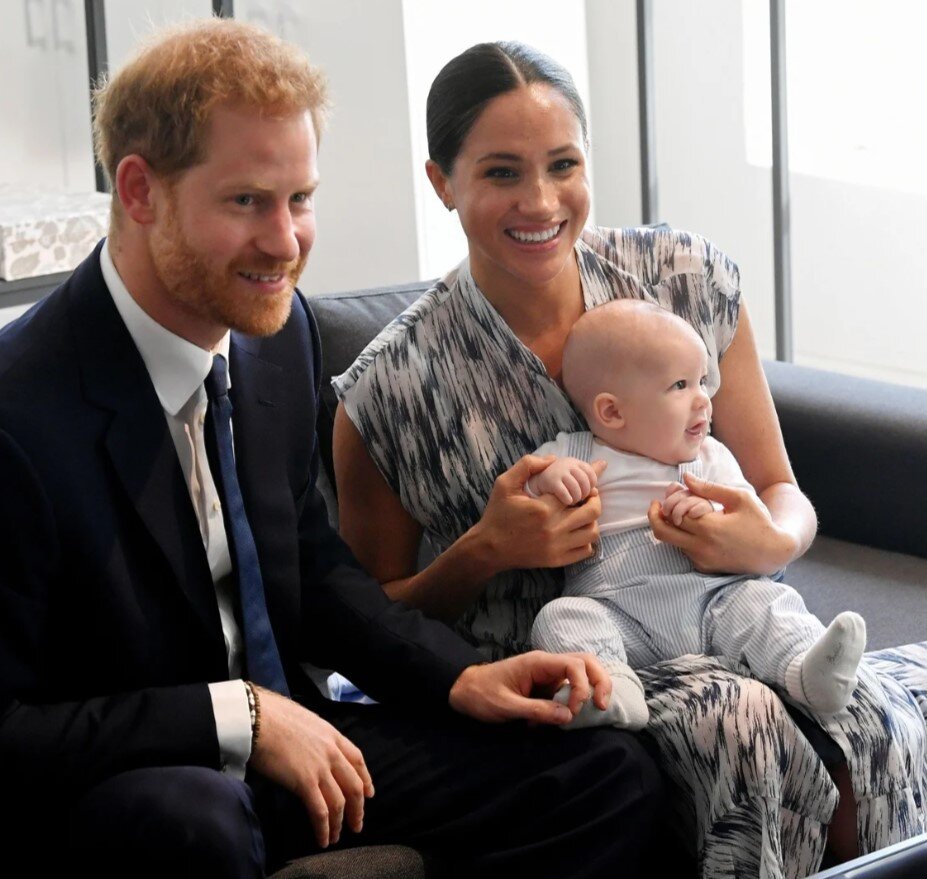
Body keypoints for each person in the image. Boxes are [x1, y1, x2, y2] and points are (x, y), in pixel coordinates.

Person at [0, 20, 668, 878]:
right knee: (191, 822)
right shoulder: (20, 417)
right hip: (132, 783)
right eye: (247, 202)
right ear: (139, 191)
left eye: (300, 199)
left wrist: (461, 678)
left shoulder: (275, 339)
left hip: (297, 732)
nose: (285, 243)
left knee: (600, 773)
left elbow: (310, 571)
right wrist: (236, 714)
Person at [332, 40, 927, 878]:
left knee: (866, 712)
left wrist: (770, 542)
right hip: (575, 663)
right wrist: (487, 548)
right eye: (500, 172)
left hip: (735, 608)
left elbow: (779, 490)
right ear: (441, 182)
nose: (539, 200)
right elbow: (364, 624)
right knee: (739, 720)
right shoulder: (388, 389)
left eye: (562, 164)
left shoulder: (683, 279)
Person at [524, 298, 867, 731]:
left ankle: (806, 671)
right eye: (680, 385)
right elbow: (522, 490)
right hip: (619, 613)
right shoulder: (574, 452)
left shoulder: (709, 457)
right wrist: (550, 480)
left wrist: (711, 513)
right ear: (612, 411)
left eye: (704, 381)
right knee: (560, 618)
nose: (703, 400)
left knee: (766, 603)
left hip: (714, 602)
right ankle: (613, 690)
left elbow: (751, 520)